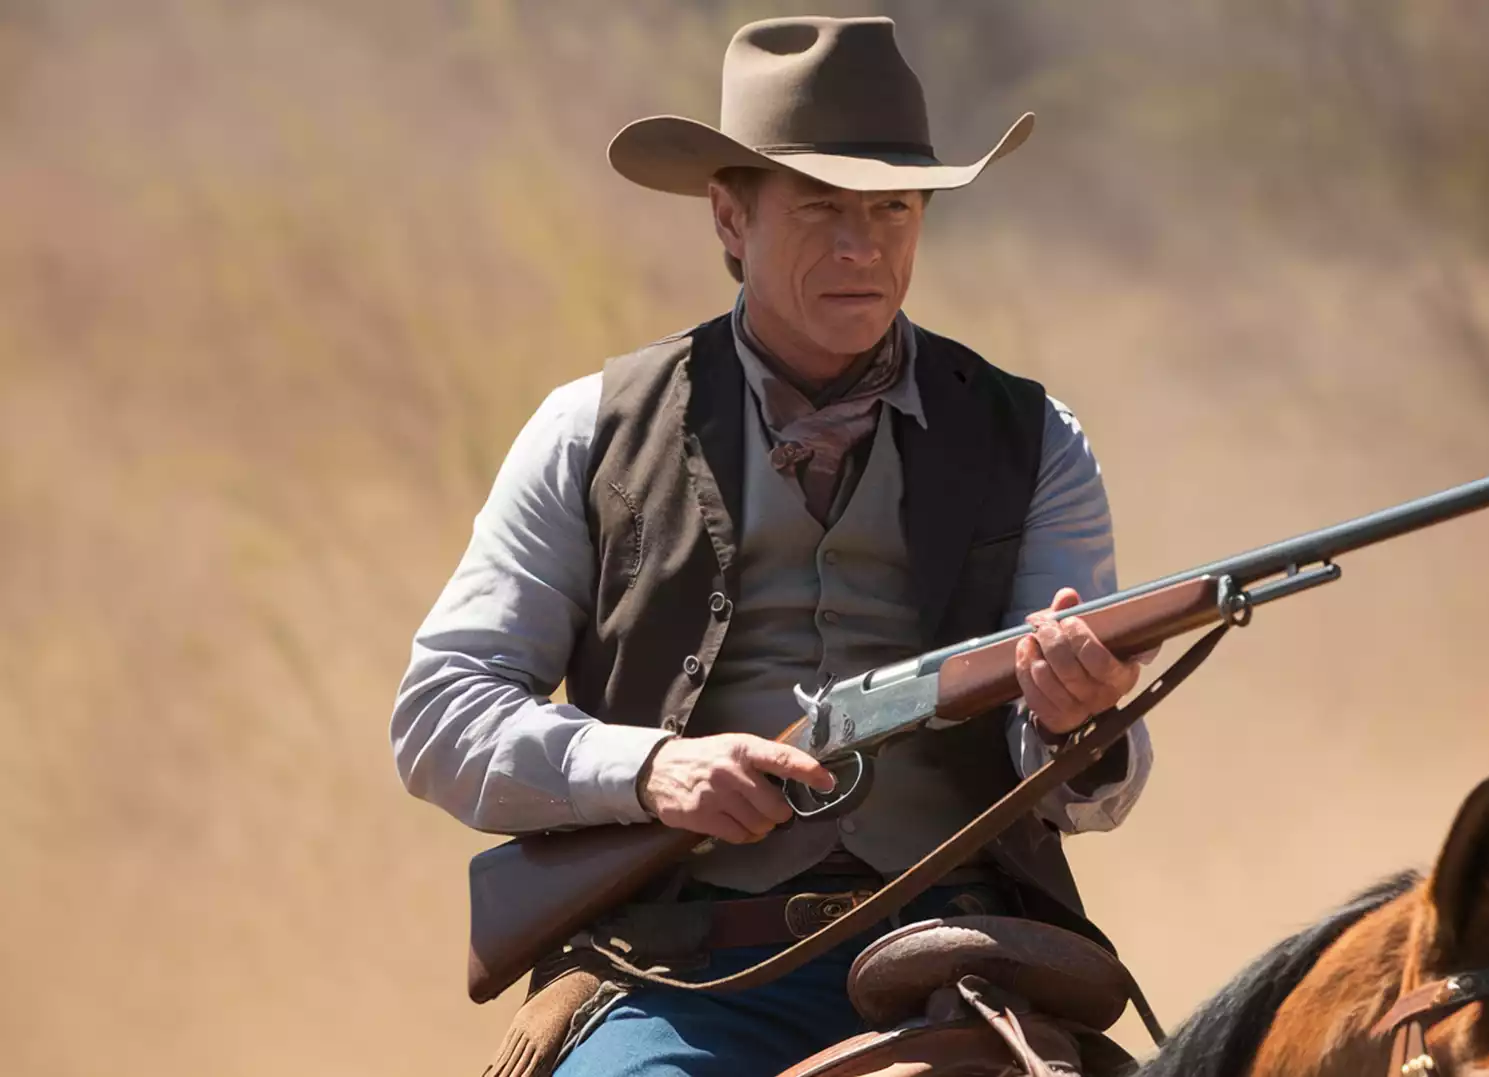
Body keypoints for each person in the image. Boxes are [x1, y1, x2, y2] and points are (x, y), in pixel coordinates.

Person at [391, 15, 1154, 1076]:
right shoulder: (590, 430)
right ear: (729, 214)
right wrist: (651, 769)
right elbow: (440, 714)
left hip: (962, 954)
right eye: (820, 208)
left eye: (891, 208)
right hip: (683, 974)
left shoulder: (1036, 439)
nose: (862, 248)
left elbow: (1085, 788)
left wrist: (1080, 720)